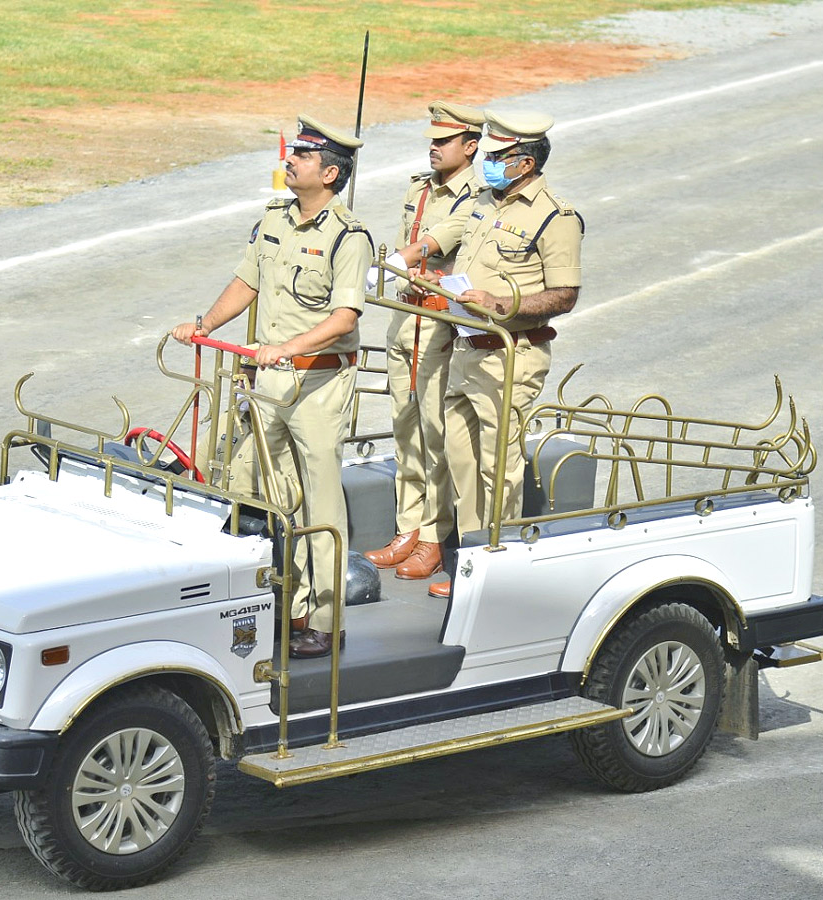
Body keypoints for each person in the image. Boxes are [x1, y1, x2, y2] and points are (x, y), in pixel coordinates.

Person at [172, 114, 371, 658]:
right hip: (269, 381)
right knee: (251, 483)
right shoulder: (274, 219)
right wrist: (206, 323)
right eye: (294, 153)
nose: (291, 160)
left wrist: (288, 347)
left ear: (330, 174)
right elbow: (247, 280)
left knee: (319, 502)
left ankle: (325, 622)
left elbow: (345, 317)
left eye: (304, 157)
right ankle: (281, 603)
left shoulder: (348, 237)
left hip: (318, 381)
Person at [429, 109, 584, 599]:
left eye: (498, 158)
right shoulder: (482, 202)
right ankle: (472, 562)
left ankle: (498, 572)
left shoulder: (555, 216)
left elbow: (564, 294)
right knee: (461, 460)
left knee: (499, 466)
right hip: (466, 349)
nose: (489, 164)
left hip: (510, 354)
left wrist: (503, 304)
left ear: (525, 162)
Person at [363, 101, 484, 582]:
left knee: (438, 435)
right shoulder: (420, 188)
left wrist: (402, 264)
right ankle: (407, 527)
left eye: (444, 141)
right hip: (404, 322)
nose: (433, 148)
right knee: (405, 430)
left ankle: (435, 535)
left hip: (438, 326)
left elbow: (448, 246)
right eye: (432, 141)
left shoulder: (477, 195)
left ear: (470, 145)